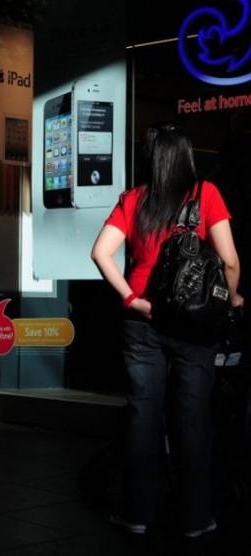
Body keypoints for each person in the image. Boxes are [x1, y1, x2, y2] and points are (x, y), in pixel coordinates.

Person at [90, 123, 244, 538]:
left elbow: (101, 253)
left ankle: (137, 514)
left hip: (143, 323)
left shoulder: (136, 199)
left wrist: (132, 300)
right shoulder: (205, 195)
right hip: (193, 326)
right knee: (193, 419)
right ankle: (194, 518)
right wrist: (228, 302)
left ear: (151, 158)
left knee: (143, 415)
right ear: (187, 156)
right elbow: (230, 262)